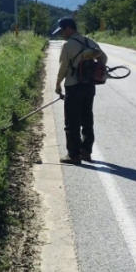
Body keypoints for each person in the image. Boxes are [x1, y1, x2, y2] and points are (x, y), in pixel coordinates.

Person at [53, 17, 107, 165]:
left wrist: (58, 84)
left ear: (69, 29)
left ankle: (74, 155)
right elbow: (104, 58)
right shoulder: (89, 41)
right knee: (87, 118)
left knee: (72, 122)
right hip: (89, 86)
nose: (62, 34)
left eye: (62, 31)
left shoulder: (68, 45)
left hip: (73, 86)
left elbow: (63, 68)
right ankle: (86, 152)